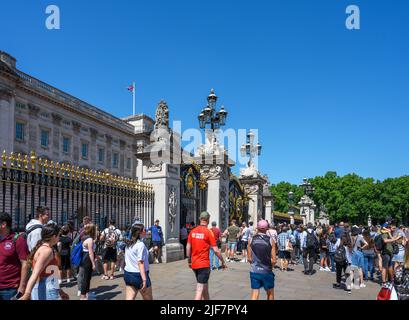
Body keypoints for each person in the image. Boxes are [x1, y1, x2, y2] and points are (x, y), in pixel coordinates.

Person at [20, 224, 69, 300]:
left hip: (47, 287)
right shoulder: (46, 251)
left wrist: (60, 291)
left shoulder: (47, 248)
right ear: (53, 237)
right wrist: (27, 293)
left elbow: (52, 272)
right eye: (59, 235)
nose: (59, 238)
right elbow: (35, 273)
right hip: (45, 288)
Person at [187, 211, 227, 300]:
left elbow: (188, 247)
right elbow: (216, 250)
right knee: (199, 289)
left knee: (204, 287)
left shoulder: (192, 231)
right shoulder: (209, 232)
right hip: (204, 264)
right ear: (208, 220)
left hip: (194, 264)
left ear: (200, 219)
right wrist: (222, 261)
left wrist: (189, 260)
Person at [0, 212, 30, 300]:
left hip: (10, 289)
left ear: (3, 224)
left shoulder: (18, 240)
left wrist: (22, 287)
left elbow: (25, 264)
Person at [248, 220, 277, 300]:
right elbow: (274, 260)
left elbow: (249, 258)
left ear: (257, 228)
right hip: (267, 271)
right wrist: (272, 265)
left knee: (254, 293)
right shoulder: (271, 240)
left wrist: (254, 263)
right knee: (270, 293)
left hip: (254, 270)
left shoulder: (251, 239)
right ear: (267, 228)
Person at [124, 223, 153, 300]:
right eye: (144, 229)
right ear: (139, 232)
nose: (145, 231)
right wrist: (144, 280)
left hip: (128, 273)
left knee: (129, 298)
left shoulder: (128, 243)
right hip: (138, 275)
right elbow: (140, 262)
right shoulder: (140, 245)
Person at [79, 224, 97, 300]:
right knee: (86, 278)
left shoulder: (85, 238)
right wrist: (93, 263)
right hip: (87, 259)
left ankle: (87, 294)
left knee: (87, 278)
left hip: (85, 258)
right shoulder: (89, 240)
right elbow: (90, 252)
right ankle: (83, 296)